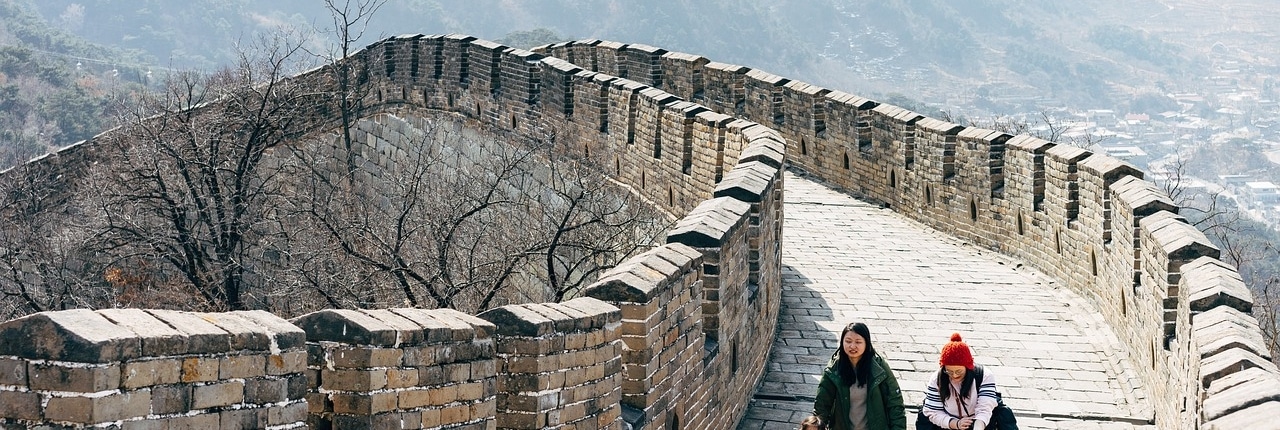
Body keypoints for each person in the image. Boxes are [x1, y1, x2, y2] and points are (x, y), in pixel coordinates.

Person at [813, 322, 907, 430]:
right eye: (848, 341)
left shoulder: (879, 368)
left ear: (866, 343)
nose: (852, 346)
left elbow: (895, 403)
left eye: (858, 342)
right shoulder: (834, 369)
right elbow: (822, 405)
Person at [919, 333, 1000, 430]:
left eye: (959, 371)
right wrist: (955, 423)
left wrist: (977, 426)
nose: (954, 375)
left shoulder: (984, 375)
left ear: (968, 367)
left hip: (979, 422)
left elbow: (985, 408)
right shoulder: (937, 379)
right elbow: (933, 411)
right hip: (946, 424)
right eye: (949, 371)